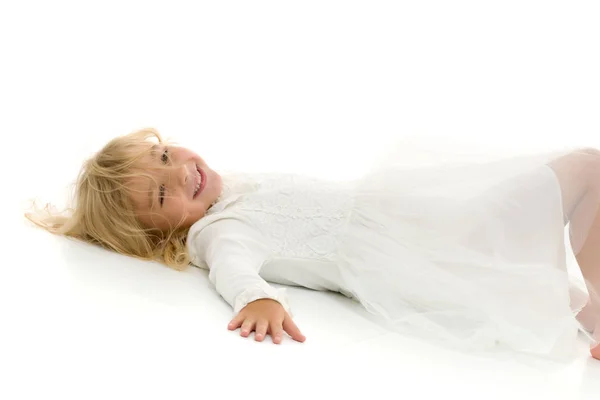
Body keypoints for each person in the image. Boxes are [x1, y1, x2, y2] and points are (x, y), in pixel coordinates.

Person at [25, 127, 600, 361]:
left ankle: (592, 313)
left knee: (542, 285)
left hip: (422, 219)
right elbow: (232, 268)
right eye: (160, 195)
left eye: (166, 156)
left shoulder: (229, 190)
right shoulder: (217, 231)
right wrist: (258, 300)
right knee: (583, 171)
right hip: (418, 242)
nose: (181, 172)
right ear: (163, 233)